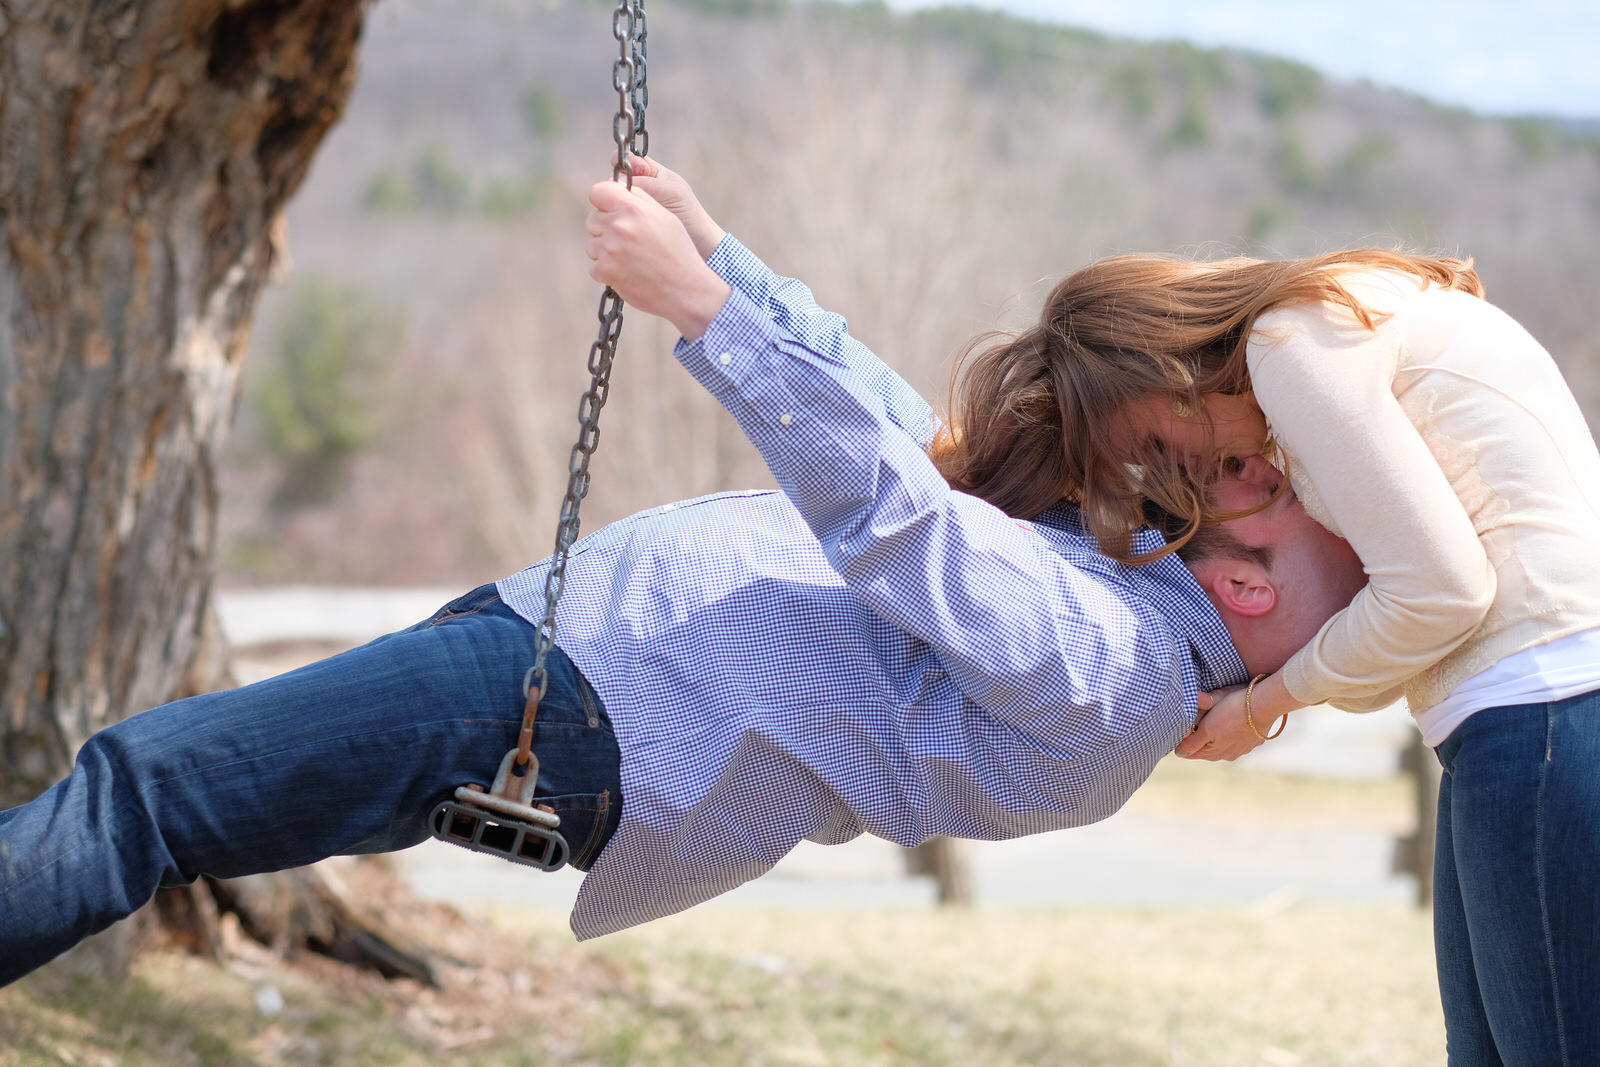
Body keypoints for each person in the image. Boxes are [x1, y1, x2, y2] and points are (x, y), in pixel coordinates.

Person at [0, 163, 1365, 987]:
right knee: (171, 794)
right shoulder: (1105, 573)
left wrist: (704, 316)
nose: (1267, 472)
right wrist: (723, 257)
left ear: (1250, 594)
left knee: (145, 789)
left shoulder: (1111, 669)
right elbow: (909, 433)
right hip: (570, 656)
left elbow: (903, 521)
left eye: (1293, 499)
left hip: (581, 709)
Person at [936, 245, 1600, 1065]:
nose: (1185, 466)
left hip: (1540, 708)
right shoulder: (1331, 327)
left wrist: (1265, 702)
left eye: (1155, 438)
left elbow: (1442, 593)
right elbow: (1398, 626)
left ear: (1167, 371)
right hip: (1519, 713)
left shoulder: (1289, 348)